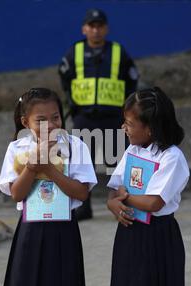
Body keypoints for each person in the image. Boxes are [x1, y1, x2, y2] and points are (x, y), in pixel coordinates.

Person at [0, 88, 97, 286]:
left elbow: (81, 193)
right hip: (30, 229)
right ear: (26, 123)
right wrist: (32, 167)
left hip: (64, 229)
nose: (51, 125)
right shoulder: (17, 149)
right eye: (41, 120)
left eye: (56, 117)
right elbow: (16, 194)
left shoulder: (75, 146)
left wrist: (50, 169)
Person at [106, 87, 189, 286]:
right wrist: (112, 204)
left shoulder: (171, 158)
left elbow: (154, 203)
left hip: (157, 236)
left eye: (130, 124)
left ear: (151, 128)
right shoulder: (133, 149)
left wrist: (124, 198)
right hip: (129, 231)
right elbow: (114, 186)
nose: (124, 128)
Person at [59, 8, 139, 220]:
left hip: (114, 117)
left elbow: (132, 80)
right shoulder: (74, 52)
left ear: (106, 29)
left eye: (99, 26)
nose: (96, 30)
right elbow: (65, 78)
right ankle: (83, 208)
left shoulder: (118, 52)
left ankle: (121, 204)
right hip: (84, 117)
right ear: (84, 29)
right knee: (82, 165)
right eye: (91, 26)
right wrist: (73, 102)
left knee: (117, 165)